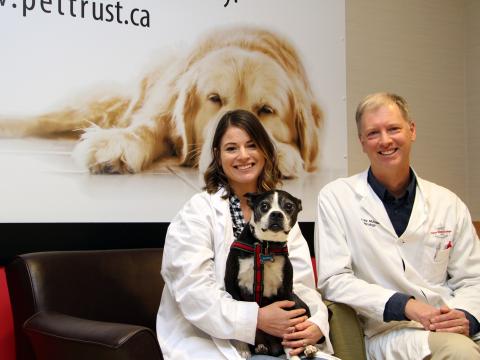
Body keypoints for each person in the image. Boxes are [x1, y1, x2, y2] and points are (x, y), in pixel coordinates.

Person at [157, 109, 335, 359]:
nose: (243, 156)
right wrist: (256, 319)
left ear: (264, 151)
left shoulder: (280, 215)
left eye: (252, 145)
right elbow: (193, 292)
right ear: (218, 157)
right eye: (231, 148)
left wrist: (315, 324)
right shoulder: (197, 213)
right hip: (214, 342)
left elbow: (301, 286)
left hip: (283, 341)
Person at [315, 92, 480, 359]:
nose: (385, 140)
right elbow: (334, 280)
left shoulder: (448, 203)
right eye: (373, 133)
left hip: (449, 323)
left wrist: (466, 317)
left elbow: (473, 279)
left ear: (411, 130)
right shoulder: (337, 198)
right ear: (362, 142)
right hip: (389, 330)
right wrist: (405, 305)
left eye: (393, 129)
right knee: (461, 354)